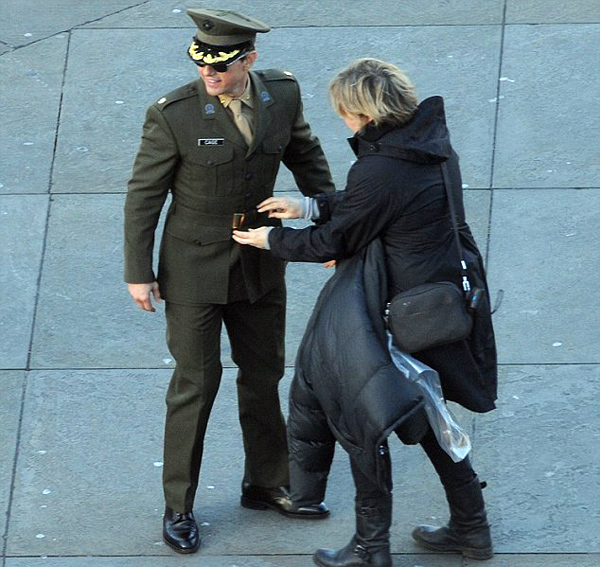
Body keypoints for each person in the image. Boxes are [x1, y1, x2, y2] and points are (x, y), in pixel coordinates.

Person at [233, 57, 498, 566]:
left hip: (394, 311)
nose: (343, 121)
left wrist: (272, 240)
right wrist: (309, 205)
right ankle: (472, 528)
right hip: (435, 302)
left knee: (362, 419)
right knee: (429, 414)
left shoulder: (381, 167)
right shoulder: (431, 147)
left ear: (365, 113)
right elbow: (374, 204)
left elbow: (337, 238)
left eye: (345, 113)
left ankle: (370, 546)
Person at [124, 7, 335, 555]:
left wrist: (333, 230)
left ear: (249, 60)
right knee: (196, 384)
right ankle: (178, 505)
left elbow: (307, 156)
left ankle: (267, 483)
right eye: (201, 64)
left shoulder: (281, 94)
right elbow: (144, 195)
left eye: (220, 65)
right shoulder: (173, 114)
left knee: (264, 374)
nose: (208, 74)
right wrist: (138, 272)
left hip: (260, 260)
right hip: (193, 269)